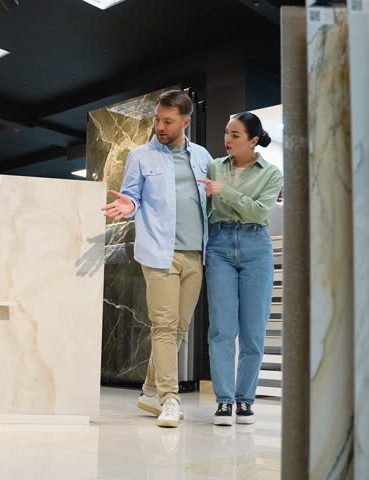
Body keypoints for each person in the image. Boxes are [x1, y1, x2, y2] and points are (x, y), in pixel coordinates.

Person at [101, 90, 212, 428]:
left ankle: (149, 390)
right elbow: (132, 195)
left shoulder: (203, 157)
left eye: (168, 121)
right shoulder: (140, 156)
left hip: (195, 252)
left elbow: (212, 200)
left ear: (185, 122)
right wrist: (127, 206)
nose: (160, 127)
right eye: (157, 120)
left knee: (178, 328)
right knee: (163, 327)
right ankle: (169, 398)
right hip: (158, 253)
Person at [196, 112, 283, 426]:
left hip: (256, 246)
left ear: (253, 141)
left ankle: (245, 400)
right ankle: (223, 401)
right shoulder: (214, 166)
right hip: (219, 245)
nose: (227, 139)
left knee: (253, 331)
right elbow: (204, 208)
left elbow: (260, 212)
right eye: (226, 132)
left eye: (235, 135)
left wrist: (225, 192)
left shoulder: (272, 173)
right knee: (221, 329)